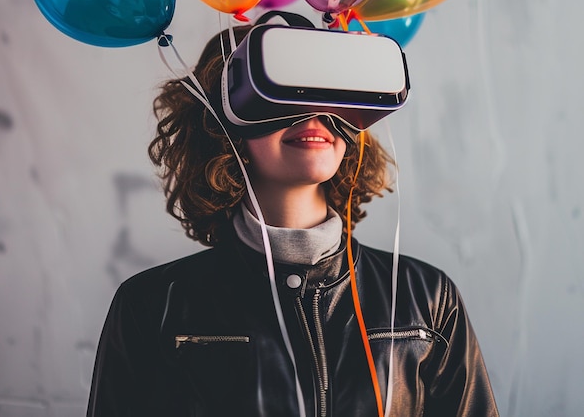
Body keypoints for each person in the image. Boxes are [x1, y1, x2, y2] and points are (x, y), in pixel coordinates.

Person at [86, 21, 500, 417]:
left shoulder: (427, 300)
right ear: (223, 122)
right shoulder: (153, 307)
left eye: (330, 89)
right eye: (281, 87)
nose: (313, 110)